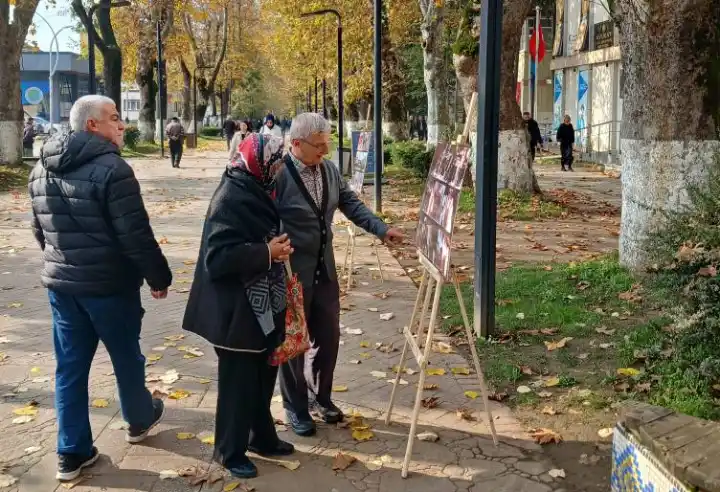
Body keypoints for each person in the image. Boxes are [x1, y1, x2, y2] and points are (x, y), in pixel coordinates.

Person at [27, 95, 172, 481]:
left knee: (70, 369)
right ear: (92, 125)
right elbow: (136, 236)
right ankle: (139, 421)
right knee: (126, 358)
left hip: (63, 288)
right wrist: (159, 277)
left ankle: (70, 454)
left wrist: (65, 261)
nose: (121, 125)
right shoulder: (114, 169)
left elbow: (39, 231)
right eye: (113, 118)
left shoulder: (41, 167)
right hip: (109, 288)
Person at [276, 113, 404, 436]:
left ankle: (321, 397)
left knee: (328, 337)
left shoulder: (329, 171)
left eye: (326, 144)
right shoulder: (278, 175)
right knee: (293, 344)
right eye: (318, 145)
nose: (324, 150)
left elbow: (351, 204)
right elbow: (263, 217)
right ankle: (296, 407)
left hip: (325, 271)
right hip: (292, 273)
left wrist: (381, 229)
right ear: (296, 144)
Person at [183, 133, 294, 479]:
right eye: (274, 163)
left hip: (259, 304)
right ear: (258, 162)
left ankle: (261, 436)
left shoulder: (256, 186)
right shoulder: (230, 196)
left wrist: (274, 247)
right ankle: (229, 452)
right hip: (234, 311)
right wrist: (266, 252)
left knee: (262, 374)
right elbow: (216, 258)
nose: (279, 170)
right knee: (238, 383)